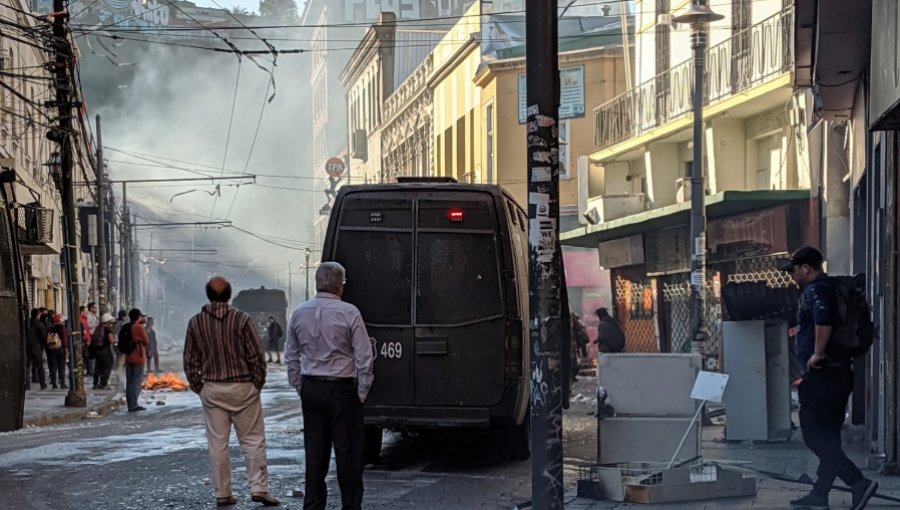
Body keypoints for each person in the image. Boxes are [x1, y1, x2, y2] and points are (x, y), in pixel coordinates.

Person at [781, 246, 878, 510]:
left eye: (793, 270)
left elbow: (824, 320)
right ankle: (820, 495)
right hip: (837, 372)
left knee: (814, 434)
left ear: (806, 268)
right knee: (829, 438)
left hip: (825, 374)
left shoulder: (816, 290)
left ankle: (858, 482)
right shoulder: (824, 288)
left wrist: (817, 353)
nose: (791, 275)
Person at [285, 262, 374, 510]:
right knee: (349, 455)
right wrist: (362, 391)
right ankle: (350, 506)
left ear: (316, 283)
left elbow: (291, 355)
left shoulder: (300, 313)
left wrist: (299, 385)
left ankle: (313, 505)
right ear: (340, 286)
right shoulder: (349, 313)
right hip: (342, 390)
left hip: (311, 389)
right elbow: (364, 356)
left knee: (314, 453)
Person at [184, 276, 279, 508]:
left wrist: (200, 387)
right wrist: (257, 383)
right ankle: (259, 488)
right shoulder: (242, 319)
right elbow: (256, 355)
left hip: (213, 387)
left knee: (218, 443)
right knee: (253, 440)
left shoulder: (196, 323)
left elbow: (190, 360)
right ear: (229, 295)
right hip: (244, 386)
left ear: (208, 295)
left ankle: (223, 493)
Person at [124, 309, 149, 413]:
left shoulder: (127, 326)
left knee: (129, 382)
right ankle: (134, 405)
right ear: (138, 317)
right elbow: (146, 341)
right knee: (136, 381)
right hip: (138, 357)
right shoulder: (139, 327)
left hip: (128, 357)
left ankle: (130, 404)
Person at [91, 313, 116, 390]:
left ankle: (95, 383)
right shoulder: (108, 328)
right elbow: (111, 340)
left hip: (97, 351)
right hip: (106, 351)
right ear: (108, 321)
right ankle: (104, 383)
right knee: (107, 367)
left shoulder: (98, 327)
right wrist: (116, 340)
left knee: (98, 367)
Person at [46, 314, 69, 389]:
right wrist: (66, 350)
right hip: (60, 349)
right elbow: (64, 341)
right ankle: (62, 383)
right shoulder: (63, 329)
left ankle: (54, 384)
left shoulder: (51, 329)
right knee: (61, 367)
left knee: (53, 367)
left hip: (52, 350)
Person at [26, 308, 47, 391]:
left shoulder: (26, 322)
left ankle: (27, 383)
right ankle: (42, 383)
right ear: (37, 314)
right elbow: (43, 335)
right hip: (36, 346)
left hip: (27, 346)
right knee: (40, 366)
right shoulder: (39, 324)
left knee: (27, 365)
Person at [80, 306, 93, 377]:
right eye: (85, 311)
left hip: (87, 340)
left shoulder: (85, 319)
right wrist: (86, 340)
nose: (87, 312)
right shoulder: (80, 320)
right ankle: (86, 371)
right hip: (84, 341)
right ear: (81, 312)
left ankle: (89, 371)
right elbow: (83, 332)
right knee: (85, 356)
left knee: (87, 357)